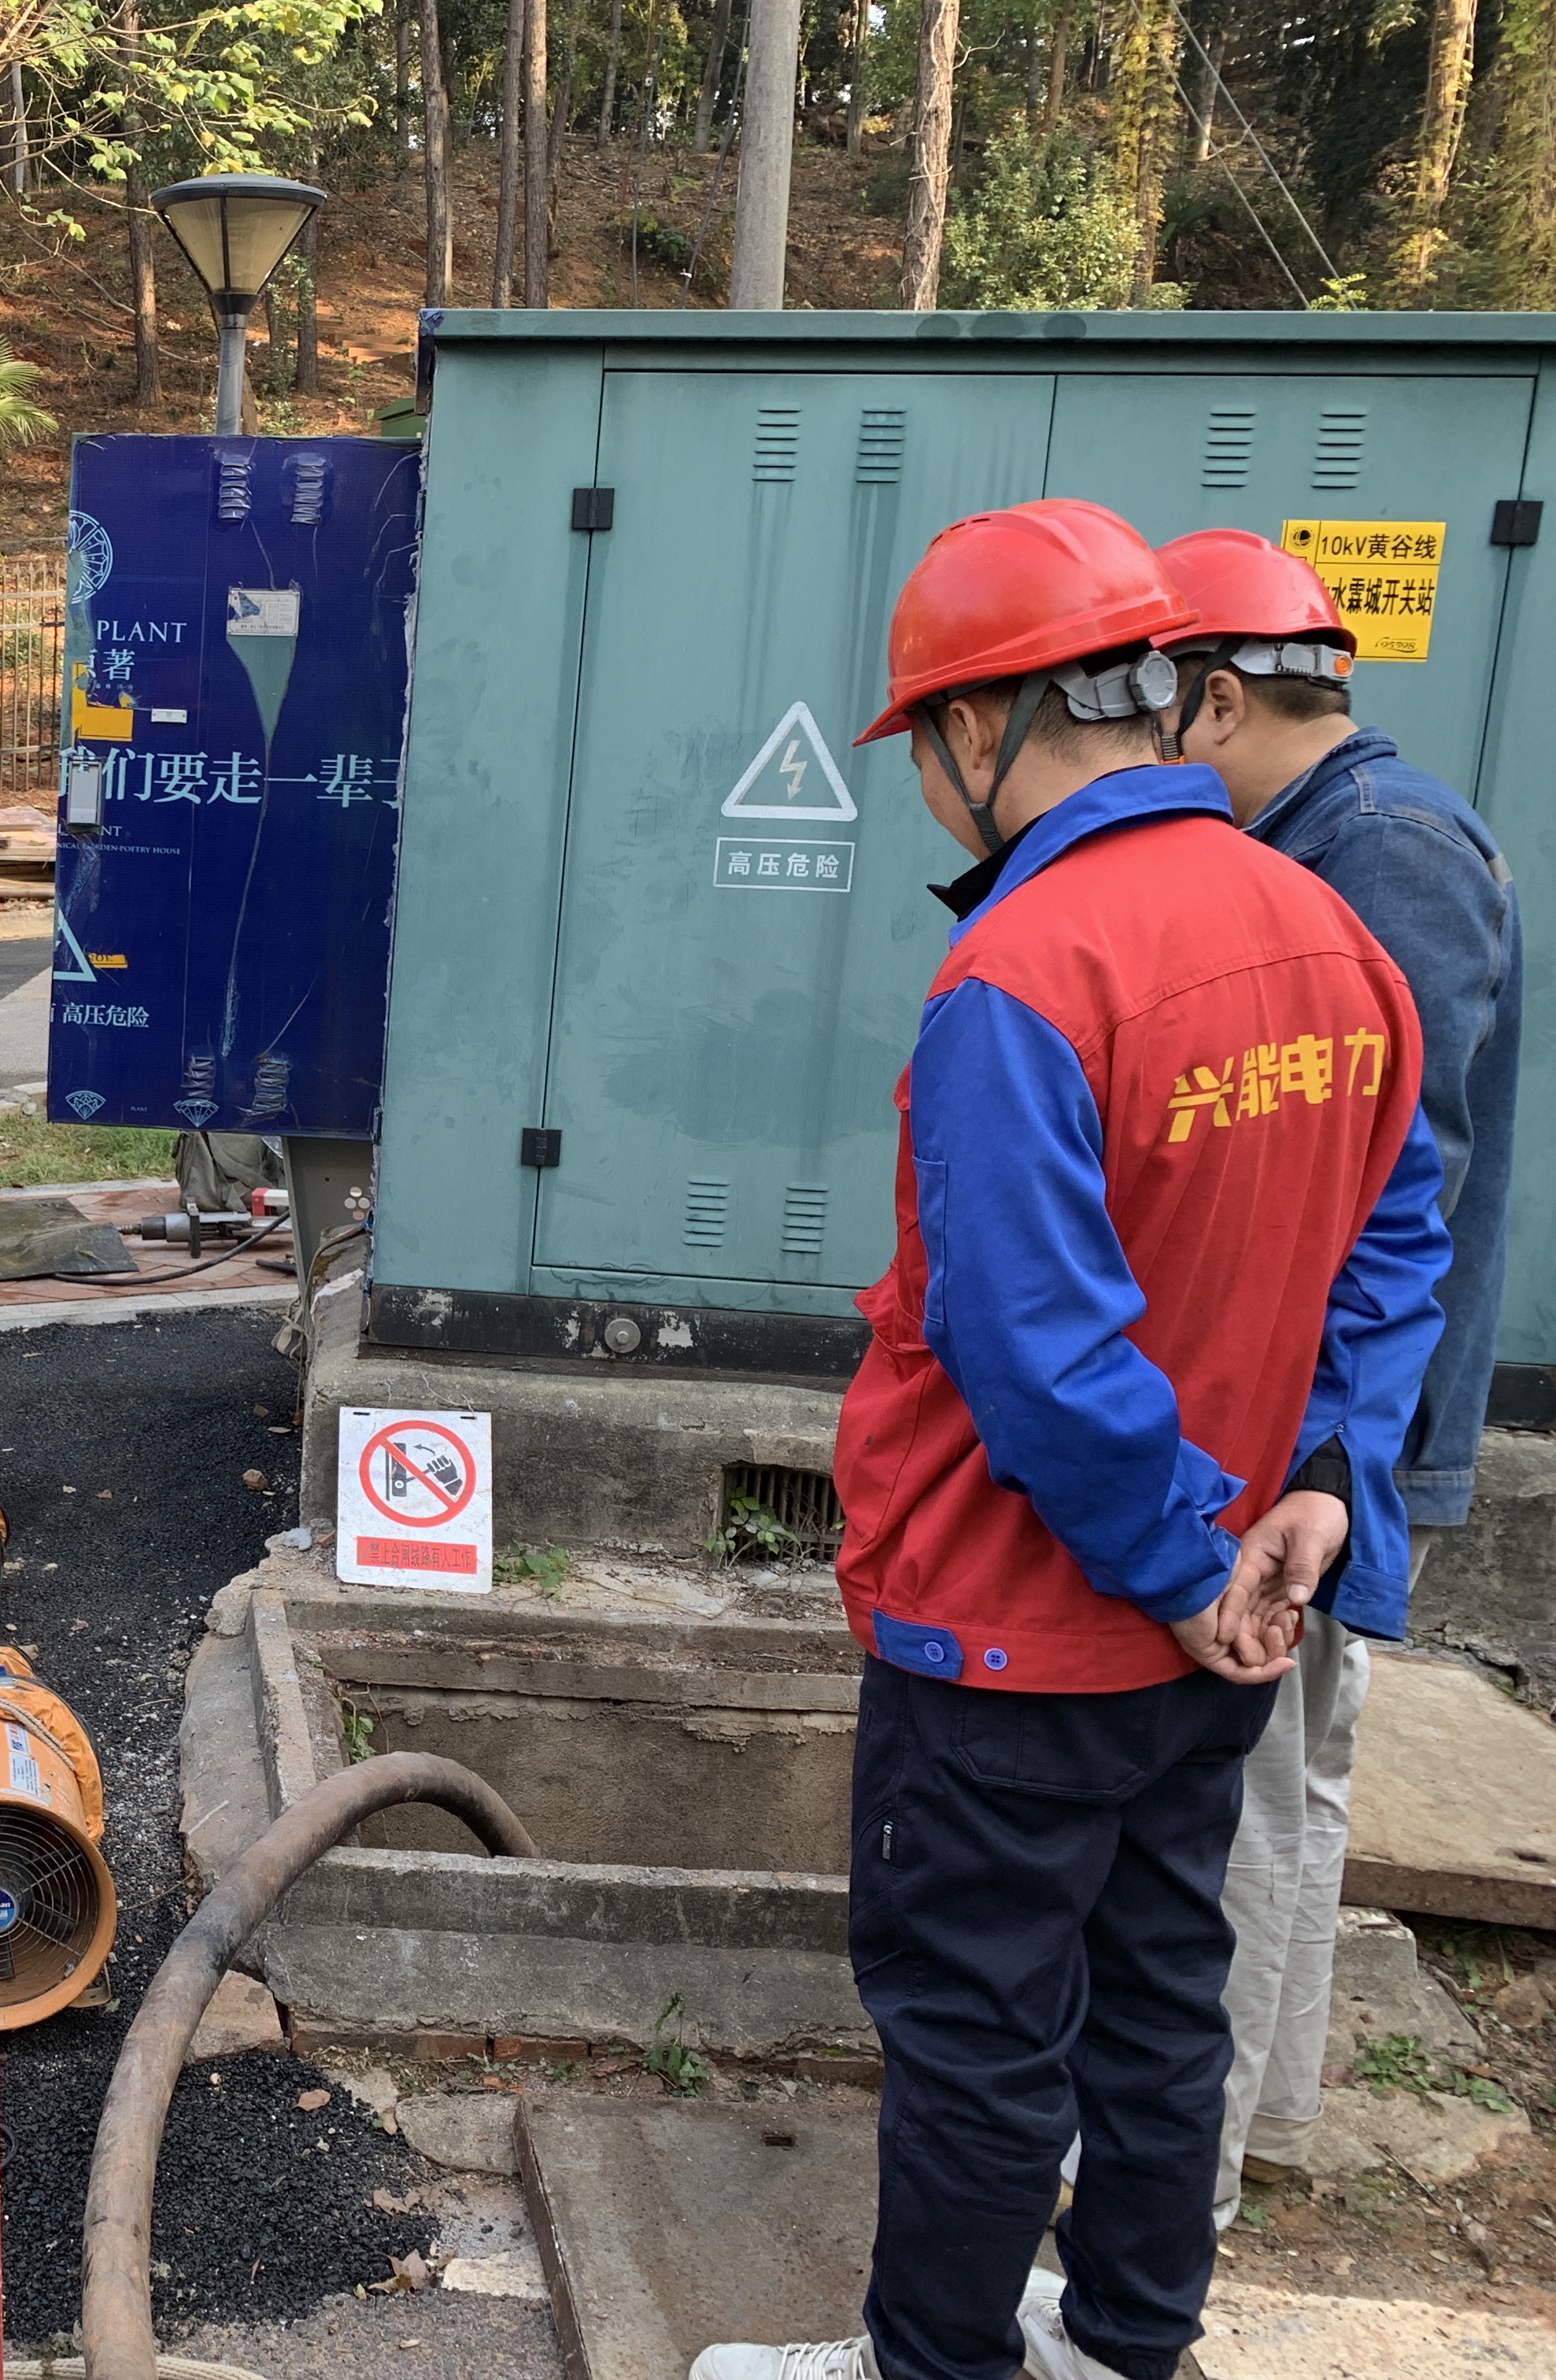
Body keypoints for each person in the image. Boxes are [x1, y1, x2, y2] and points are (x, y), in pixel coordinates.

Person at [691, 501, 1448, 2380]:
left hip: (1018, 1624)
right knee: (1158, 1998)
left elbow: (1036, 1347)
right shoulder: (1331, 940)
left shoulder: (1020, 979)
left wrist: (1189, 1555)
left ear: (977, 729)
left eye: (925, 751)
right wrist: (1320, 1497)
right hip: (1222, 1638)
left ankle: (935, 2364)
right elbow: (1396, 1242)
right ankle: (1128, 2342)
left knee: (974, 2029)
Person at [1154, 527, 1523, 2225]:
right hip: (1315, 1427)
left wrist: (1316, 1464)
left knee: (1248, 1787)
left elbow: (1386, 1198)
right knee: (1278, 1776)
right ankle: (1243, 2130)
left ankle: (1183, 2181)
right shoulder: (1342, 838)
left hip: (1324, 1436)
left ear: (1216, 697)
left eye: (1143, 713)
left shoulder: (1380, 856)